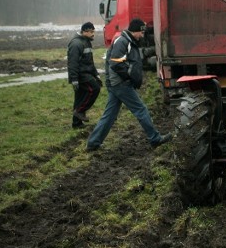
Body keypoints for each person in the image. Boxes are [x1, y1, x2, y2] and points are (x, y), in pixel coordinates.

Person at [86, 18, 172, 151]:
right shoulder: (123, 41)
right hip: (121, 84)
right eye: (141, 33)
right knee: (141, 109)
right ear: (135, 31)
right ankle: (155, 139)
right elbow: (115, 63)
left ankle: (93, 143)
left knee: (110, 115)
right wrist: (129, 77)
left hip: (117, 84)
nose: (142, 35)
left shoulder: (128, 41)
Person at [67, 22, 102, 128]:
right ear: (84, 31)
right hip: (81, 75)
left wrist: (96, 74)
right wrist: (74, 79)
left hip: (86, 73)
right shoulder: (76, 44)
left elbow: (89, 62)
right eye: (91, 32)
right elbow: (72, 63)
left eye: (93, 31)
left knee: (80, 98)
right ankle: (80, 111)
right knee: (94, 89)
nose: (93, 34)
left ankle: (76, 123)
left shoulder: (86, 42)